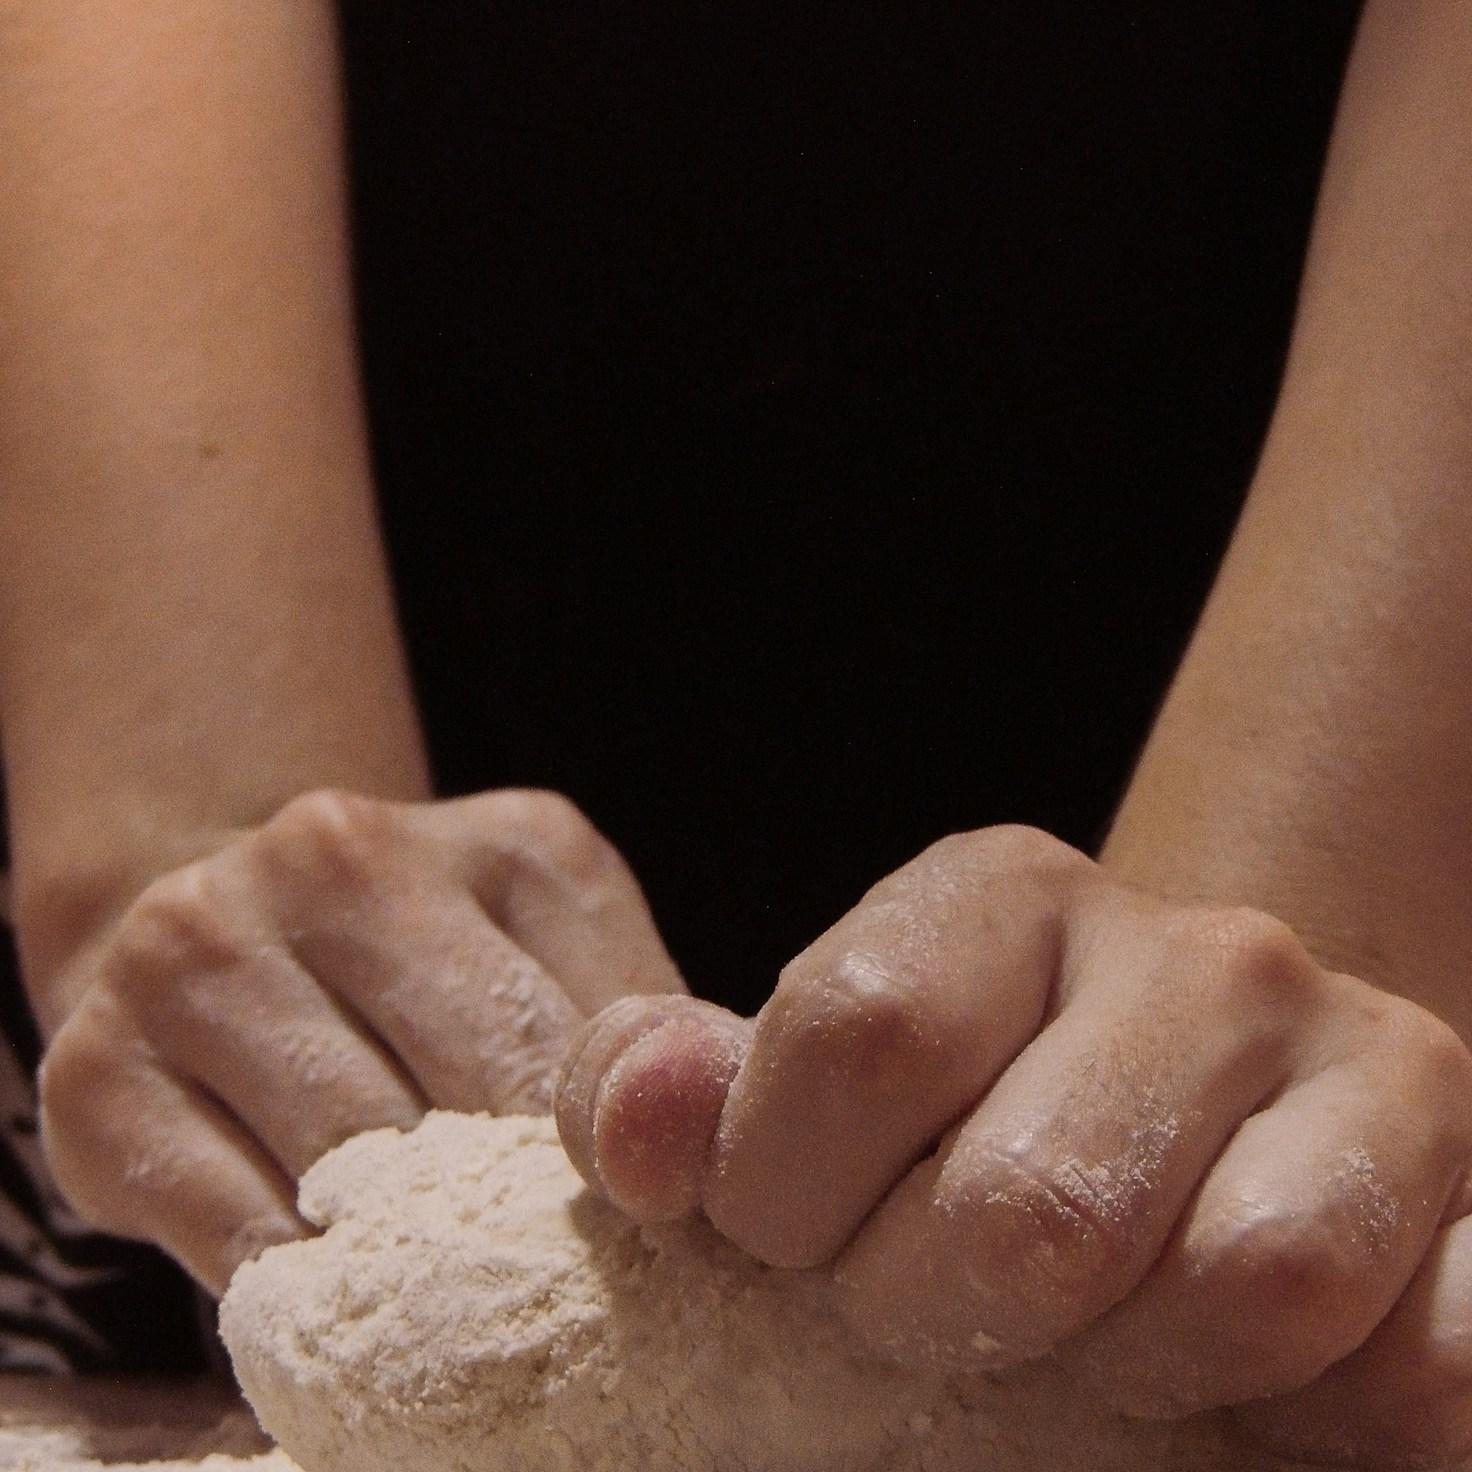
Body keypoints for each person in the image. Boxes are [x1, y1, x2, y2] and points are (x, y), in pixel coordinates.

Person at [0, 0, 1469, 1464]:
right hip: (192, 1305)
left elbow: (1239, 1121)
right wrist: (241, 920)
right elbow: (212, 842)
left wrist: (1243, 1142)